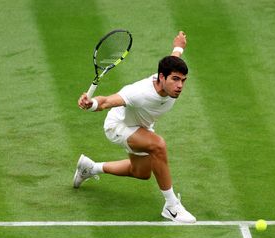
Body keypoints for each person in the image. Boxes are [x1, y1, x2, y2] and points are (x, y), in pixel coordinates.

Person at [74, 31, 196, 223]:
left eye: (183, 80)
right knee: (158, 146)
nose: (180, 85)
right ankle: (172, 207)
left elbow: (173, 60)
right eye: (175, 80)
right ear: (161, 78)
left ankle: (90, 168)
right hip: (118, 126)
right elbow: (106, 101)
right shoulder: (138, 93)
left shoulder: (168, 75)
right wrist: (92, 104)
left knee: (141, 172)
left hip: (140, 126)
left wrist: (178, 47)